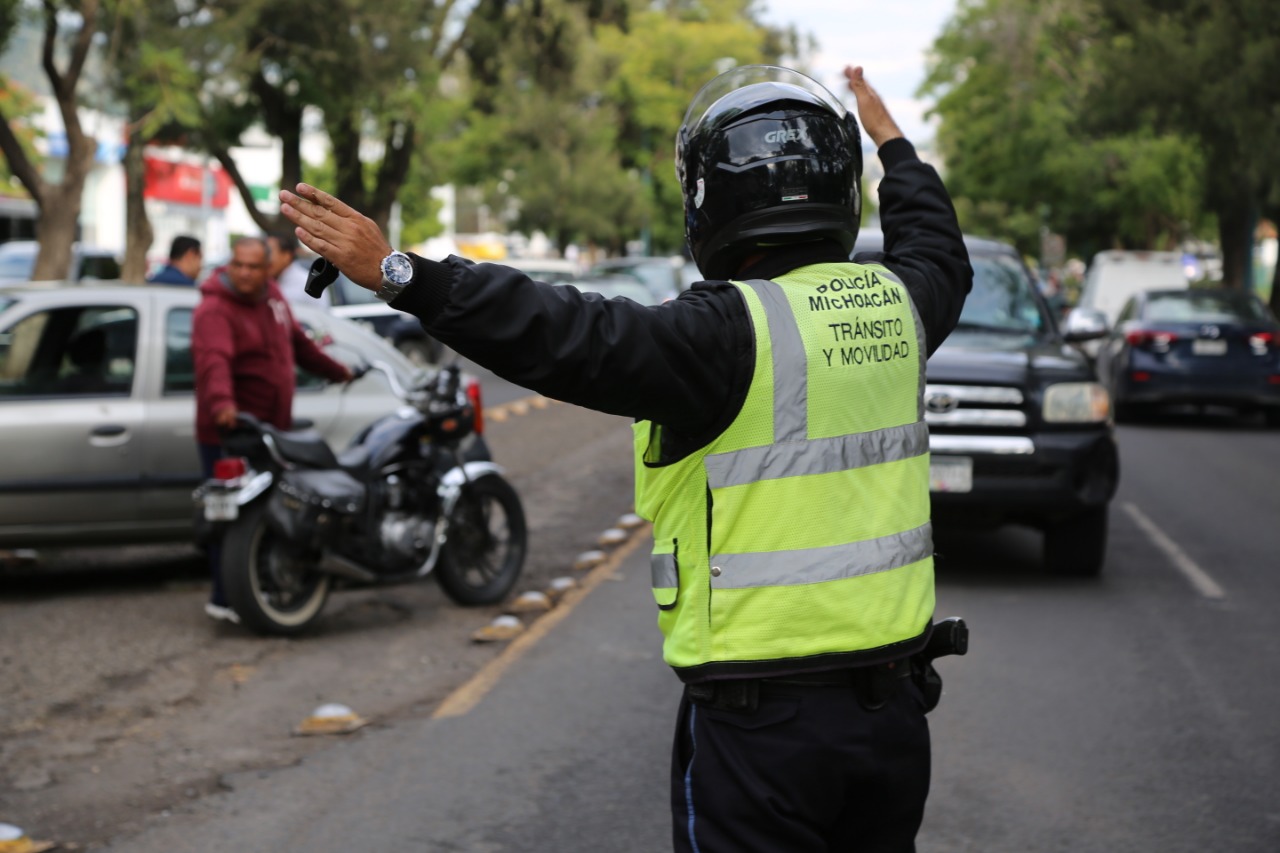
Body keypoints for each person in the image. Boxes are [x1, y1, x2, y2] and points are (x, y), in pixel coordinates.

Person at [281, 64, 972, 851]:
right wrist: (895, 146)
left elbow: (560, 332)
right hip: (892, 722)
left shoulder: (721, 333)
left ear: (713, 197)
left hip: (766, 731)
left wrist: (401, 274)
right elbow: (939, 250)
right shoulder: (904, 305)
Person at [192, 236, 352, 623]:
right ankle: (224, 597)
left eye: (253, 266)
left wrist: (338, 371)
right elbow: (214, 362)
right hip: (232, 431)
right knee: (230, 516)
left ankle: (253, 591)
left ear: (269, 269)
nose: (245, 273)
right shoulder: (215, 309)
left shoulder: (274, 299)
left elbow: (299, 346)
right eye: (238, 265)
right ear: (230, 266)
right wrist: (223, 405)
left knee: (266, 515)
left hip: (271, 430)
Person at [266, 231, 314, 304]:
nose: (264, 259)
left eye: (268, 252)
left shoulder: (299, 285)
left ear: (286, 256)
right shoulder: (281, 279)